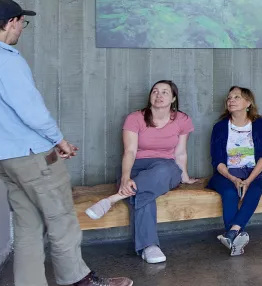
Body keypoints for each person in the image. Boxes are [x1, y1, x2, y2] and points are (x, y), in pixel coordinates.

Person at [0, 0, 133, 286]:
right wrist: (59, 139)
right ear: (12, 22)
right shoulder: (6, 60)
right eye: (22, 23)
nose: (23, 29)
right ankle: (82, 283)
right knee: (61, 218)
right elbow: (30, 109)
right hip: (29, 154)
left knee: (28, 223)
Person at [83, 80, 196, 263]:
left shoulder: (182, 120)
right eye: (155, 91)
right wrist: (126, 177)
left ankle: (113, 199)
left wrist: (184, 176)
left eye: (165, 92)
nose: (159, 95)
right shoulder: (135, 118)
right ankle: (149, 246)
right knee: (145, 194)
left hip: (165, 168)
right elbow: (130, 151)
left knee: (163, 169)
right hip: (136, 166)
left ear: (173, 98)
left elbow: (180, 152)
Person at [206, 86, 262, 256]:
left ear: (248, 103)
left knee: (255, 189)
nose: (231, 100)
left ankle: (232, 232)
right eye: (229, 98)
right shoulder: (220, 127)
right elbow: (217, 161)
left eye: (236, 97)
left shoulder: (260, 125)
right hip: (226, 173)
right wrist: (232, 178)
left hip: (256, 172)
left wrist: (249, 180)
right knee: (229, 192)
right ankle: (234, 237)